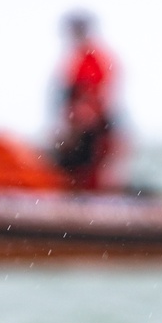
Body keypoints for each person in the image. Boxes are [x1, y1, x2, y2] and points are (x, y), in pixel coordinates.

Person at [52, 11, 119, 191]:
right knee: (82, 175)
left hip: (91, 130)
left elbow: (90, 98)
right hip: (91, 129)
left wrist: (72, 128)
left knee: (87, 175)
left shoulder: (91, 60)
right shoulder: (81, 59)